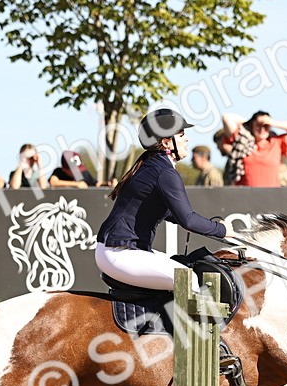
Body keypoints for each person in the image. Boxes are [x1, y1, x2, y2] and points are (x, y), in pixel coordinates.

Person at [95, 109, 230, 291]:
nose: (187, 139)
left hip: (118, 251)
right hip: (120, 253)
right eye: (181, 134)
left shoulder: (153, 164)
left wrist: (210, 227)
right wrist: (223, 231)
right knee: (187, 280)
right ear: (166, 142)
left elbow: (170, 213)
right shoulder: (164, 171)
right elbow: (187, 220)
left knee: (183, 268)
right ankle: (186, 321)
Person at [220, 111, 287, 187]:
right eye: (258, 125)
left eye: (266, 126)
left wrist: (273, 122)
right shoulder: (242, 141)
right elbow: (226, 117)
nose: (262, 129)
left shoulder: (276, 142)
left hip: (271, 197)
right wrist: (250, 121)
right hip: (245, 197)